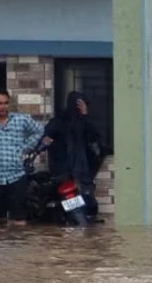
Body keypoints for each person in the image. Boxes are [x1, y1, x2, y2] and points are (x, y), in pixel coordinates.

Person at [0, 89, 51, 227]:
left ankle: (18, 242)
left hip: (16, 176)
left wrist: (26, 147)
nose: (3, 107)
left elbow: (40, 130)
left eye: (5, 103)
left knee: (18, 221)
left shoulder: (21, 120)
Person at [42, 91, 109, 219]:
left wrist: (85, 116)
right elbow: (45, 139)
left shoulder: (84, 123)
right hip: (64, 175)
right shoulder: (58, 123)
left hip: (82, 175)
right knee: (72, 211)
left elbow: (96, 139)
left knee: (87, 208)